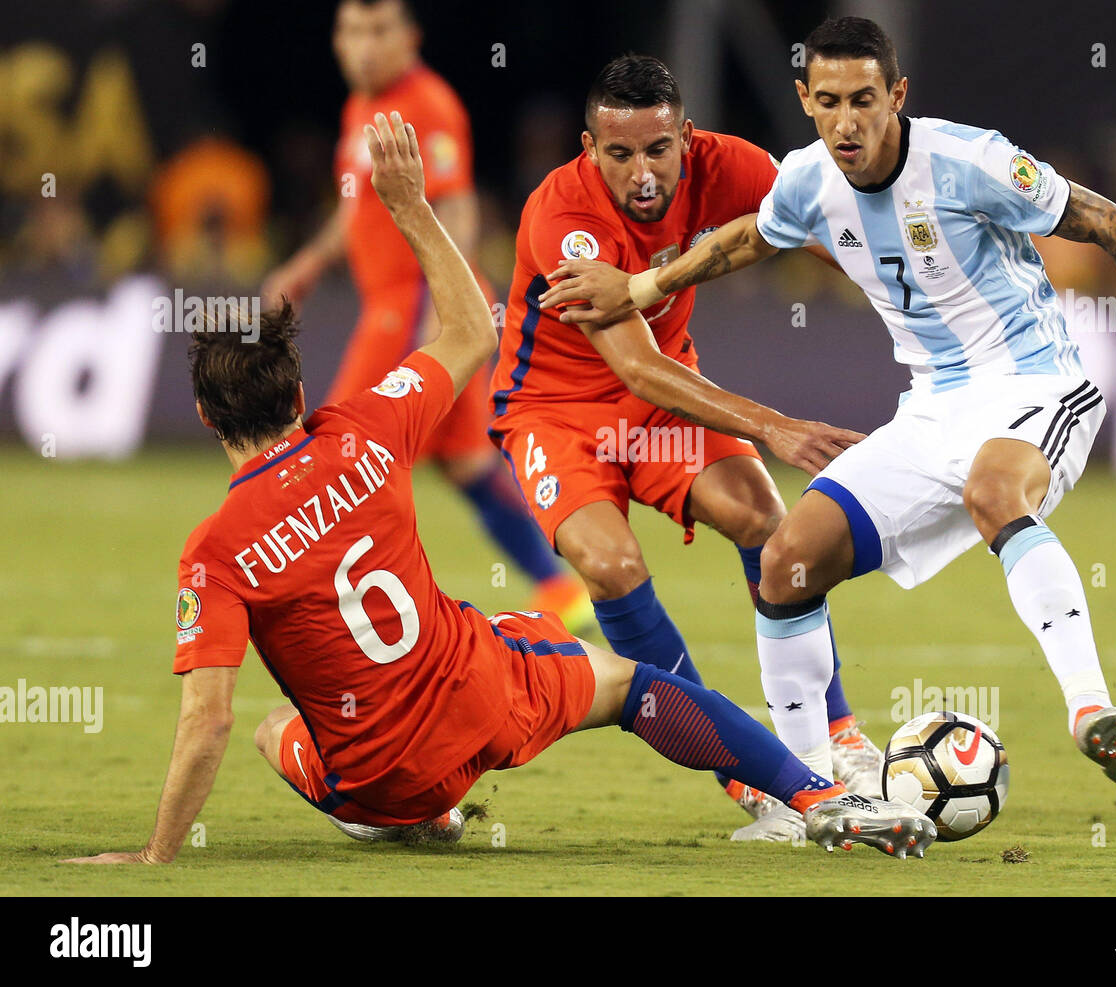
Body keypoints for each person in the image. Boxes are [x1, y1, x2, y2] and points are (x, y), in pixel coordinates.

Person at [62, 112, 935, 865]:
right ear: (298, 396)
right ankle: (816, 796)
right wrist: (411, 209)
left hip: (378, 782)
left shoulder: (212, 553)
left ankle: (421, 816)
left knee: (267, 731)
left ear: (210, 422)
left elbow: (208, 721)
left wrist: (155, 852)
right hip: (485, 697)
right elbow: (475, 325)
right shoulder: (366, 427)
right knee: (630, 686)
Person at [540, 17, 1116, 826]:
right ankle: (807, 795)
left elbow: (1114, 225)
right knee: (788, 561)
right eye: (827, 101)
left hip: (1035, 383)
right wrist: (644, 288)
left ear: (896, 95)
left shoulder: (971, 162)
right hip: (931, 404)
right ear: (804, 99)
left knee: (995, 491)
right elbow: (745, 240)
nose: (846, 121)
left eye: (864, 99)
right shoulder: (806, 179)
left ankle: (1089, 706)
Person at [489, 53, 885, 839]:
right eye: (620, 153)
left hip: (659, 404)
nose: (641, 173)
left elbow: (828, 225)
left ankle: (837, 733)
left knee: (767, 522)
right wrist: (773, 425)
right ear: (588, 147)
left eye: (657, 150)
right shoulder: (562, 218)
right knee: (611, 565)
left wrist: (907, 280)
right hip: (554, 412)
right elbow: (636, 363)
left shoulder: (731, 167)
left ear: (688, 138)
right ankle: (742, 769)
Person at [260, 0, 589, 628]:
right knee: (464, 462)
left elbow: (458, 206)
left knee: (334, 444)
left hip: (413, 305)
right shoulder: (361, 107)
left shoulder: (429, 105)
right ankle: (560, 584)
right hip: (399, 303)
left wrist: (449, 313)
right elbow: (356, 207)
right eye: (352, 30)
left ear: (409, 38)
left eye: (378, 30)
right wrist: (307, 263)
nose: (363, 45)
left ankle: (317, 597)